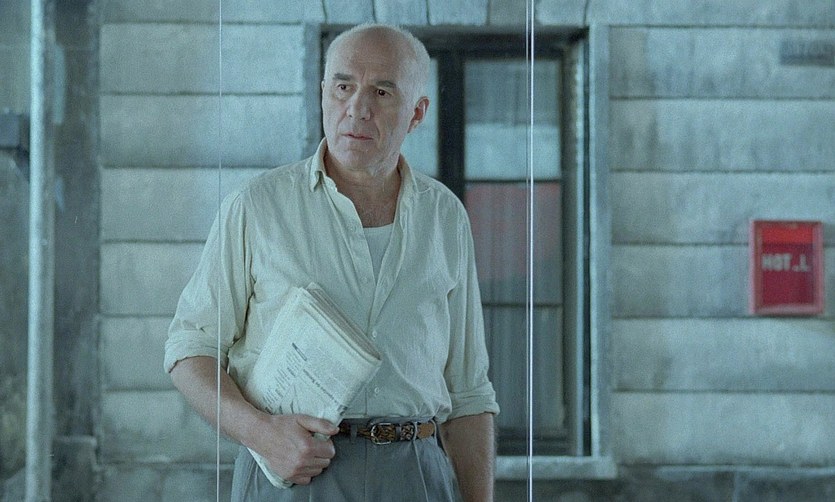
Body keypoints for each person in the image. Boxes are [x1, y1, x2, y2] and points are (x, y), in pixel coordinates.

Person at [164, 23, 499, 502]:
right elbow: (189, 350)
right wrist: (261, 434)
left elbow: (469, 394)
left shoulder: (446, 217)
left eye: (382, 91)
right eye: (343, 87)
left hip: (416, 476)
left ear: (417, 113)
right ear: (323, 93)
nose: (357, 108)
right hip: (292, 475)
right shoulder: (256, 206)